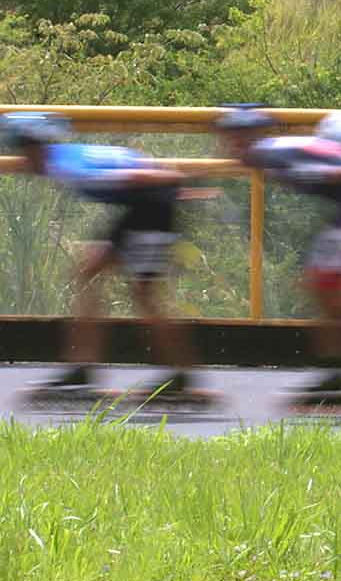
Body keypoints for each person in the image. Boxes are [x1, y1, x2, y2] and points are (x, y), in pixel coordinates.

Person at [213, 106, 341, 403]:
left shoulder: (272, 155)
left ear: (249, 136)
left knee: (327, 291)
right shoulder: (273, 151)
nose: (229, 147)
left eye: (234, 139)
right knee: (323, 294)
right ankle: (338, 369)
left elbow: (340, 169)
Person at [1, 112, 202, 398]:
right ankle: (83, 366)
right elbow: (128, 160)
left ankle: (181, 372)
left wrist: (172, 178)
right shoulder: (64, 156)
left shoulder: (67, 166)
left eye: (22, 153)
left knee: (144, 294)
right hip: (140, 209)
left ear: (35, 149)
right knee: (87, 272)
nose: (20, 161)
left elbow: (135, 173)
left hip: (154, 208)